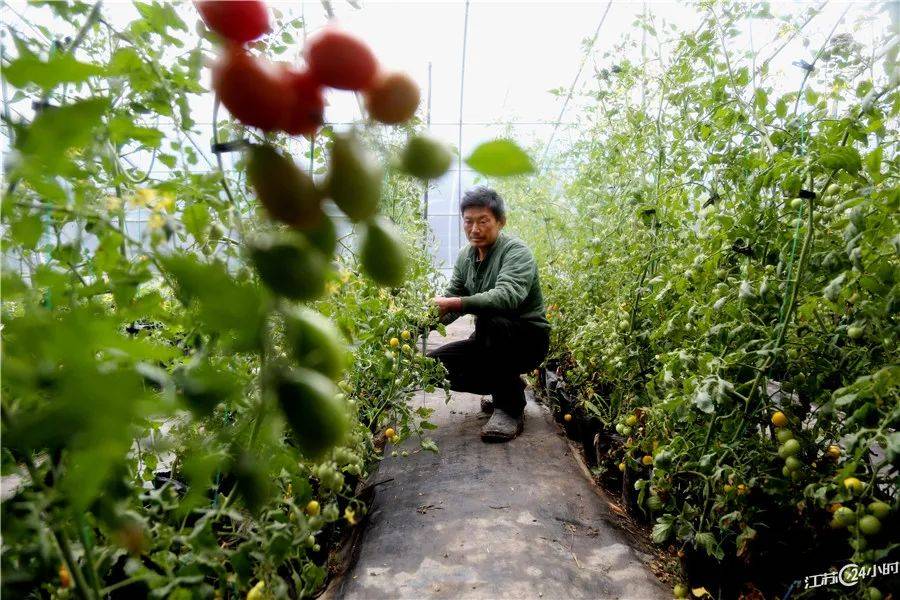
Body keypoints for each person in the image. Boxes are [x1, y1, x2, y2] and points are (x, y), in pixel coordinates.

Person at [428, 186, 550, 442]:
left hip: (526, 340)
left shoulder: (516, 252)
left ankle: (509, 408)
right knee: (429, 368)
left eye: (483, 221)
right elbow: (451, 299)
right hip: (488, 338)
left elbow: (507, 296)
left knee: (493, 320)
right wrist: (421, 321)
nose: (475, 229)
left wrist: (455, 304)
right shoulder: (465, 257)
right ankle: (507, 386)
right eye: (468, 222)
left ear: (500, 222)